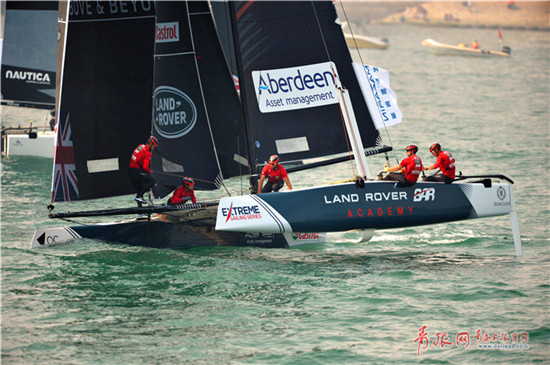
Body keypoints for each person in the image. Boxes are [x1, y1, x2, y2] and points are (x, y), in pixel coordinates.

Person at [129, 136, 158, 206]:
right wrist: (149, 172)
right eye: (154, 146)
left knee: (140, 189)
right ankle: (139, 196)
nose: (154, 148)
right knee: (152, 181)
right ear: (150, 144)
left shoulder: (141, 146)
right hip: (136, 171)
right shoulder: (148, 153)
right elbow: (145, 167)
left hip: (130, 171)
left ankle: (140, 213)